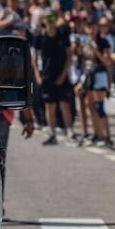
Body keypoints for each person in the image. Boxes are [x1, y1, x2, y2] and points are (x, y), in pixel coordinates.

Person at [32, 12, 74, 144]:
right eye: (48, 20)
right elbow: (34, 57)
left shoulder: (62, 35)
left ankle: (70, 132)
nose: (50, 23)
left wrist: (63, 74)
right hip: (46, 75)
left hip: (61, 74)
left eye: (52, 19)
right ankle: (52, 133)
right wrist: (37, 75)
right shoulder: (39, 37)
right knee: (49, 105)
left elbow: (69, 56)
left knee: (64, 103)